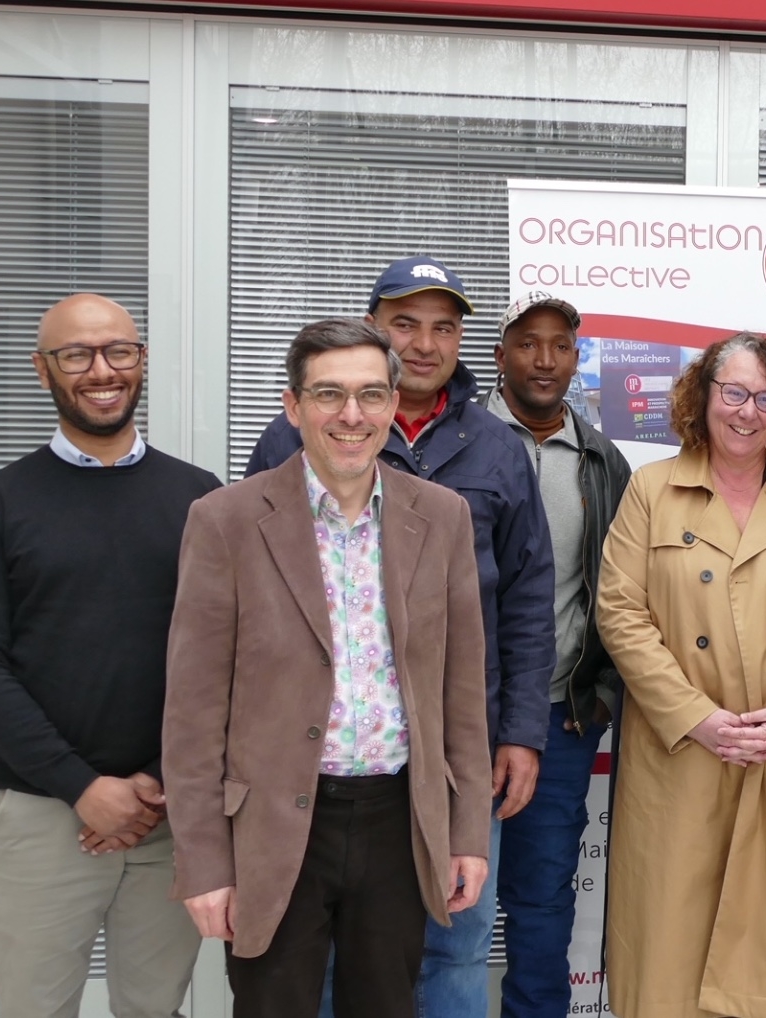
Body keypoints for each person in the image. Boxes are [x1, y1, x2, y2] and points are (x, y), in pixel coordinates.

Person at [245, 257, 555, 1015]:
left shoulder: (497, 449)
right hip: (323, 756)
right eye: (406, 323)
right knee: (312, 947)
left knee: (455, 937)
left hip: (456, 746)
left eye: (444, 327)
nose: (425, 343)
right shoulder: (294, 440)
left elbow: (526, 600)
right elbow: (252, 595)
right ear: (374, 331)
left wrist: (519, 732)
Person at [162, 318, 493, 1017]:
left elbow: (461, 694)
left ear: (392, 404)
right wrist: (204, 865)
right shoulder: (225, 521)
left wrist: (466, 833)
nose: (352, 415)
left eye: (372, 395)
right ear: (293, 406)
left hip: (397, 822)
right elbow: (191, 714)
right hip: (274, 828)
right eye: (330, 395)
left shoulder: (442, 518)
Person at [596, 332, 766, 1018]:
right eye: (734, 393)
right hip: (685, 755)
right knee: (669, 952)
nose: (748, 412)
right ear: (703, 397)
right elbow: (620, 613)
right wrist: (698, 718)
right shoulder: (652, 488)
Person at [0, 293, 218, 1017]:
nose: (100, 370)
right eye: (76, 355)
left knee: (154, 1009)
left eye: (118, 351)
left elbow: (230, 662)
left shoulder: (200, 500)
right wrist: (85, 787)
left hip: (170, 811)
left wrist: (159, 780)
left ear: (141, 360)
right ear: (42, 370)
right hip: (44, 811)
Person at [487, 291, 632, 1016]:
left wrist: (599, 695)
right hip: (460, 720)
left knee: (541, 904)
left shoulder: (604, 461)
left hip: (557, 721)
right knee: (441, 904)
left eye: (561, 345)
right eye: (527, 342)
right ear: (498, 355)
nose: (545, 360)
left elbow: (624, 591)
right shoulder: (459, 444)